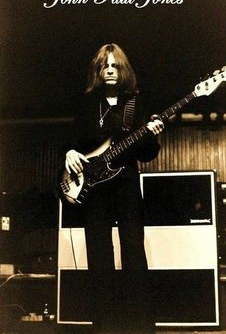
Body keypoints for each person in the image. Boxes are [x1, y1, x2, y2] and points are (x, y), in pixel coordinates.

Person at [63, 43, 164, 325]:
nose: (109, 70)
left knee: (133, 249)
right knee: (99, 252)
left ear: (123, 70)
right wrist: (70, 151)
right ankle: (104, 324)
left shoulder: (136, 103)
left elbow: (146, 154)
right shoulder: (85, 103)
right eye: (104, 66)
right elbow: (72, 140)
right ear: (98, 71)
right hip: (94, 188)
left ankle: (139, 323)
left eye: (115, 65)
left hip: (126, 185)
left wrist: (153, 135)